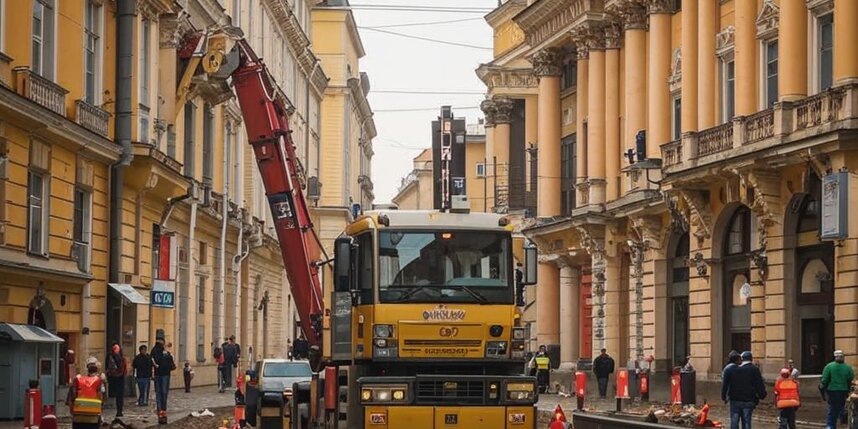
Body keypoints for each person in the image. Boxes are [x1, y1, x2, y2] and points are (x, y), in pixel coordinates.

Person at [721, 351, 767, 429]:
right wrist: (762, 395)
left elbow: (726, 384)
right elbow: (759, 384)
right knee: (746, 421)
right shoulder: (754, 369)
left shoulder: (732, 369)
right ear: (751, 359)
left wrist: (724, 396)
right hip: (749, 400)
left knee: (734, 420)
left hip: (735, 399)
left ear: (742, 358)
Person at [68, 357, 106, 429]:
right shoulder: (99, 380)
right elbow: (102, 396)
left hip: (78, 415)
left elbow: (72, 397)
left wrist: (72, 411)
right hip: (93, 416)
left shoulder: (78, 379)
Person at [820, 350, 854, 429]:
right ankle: (843, 420)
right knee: (842, 406)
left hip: (832, 391)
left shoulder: (829, 366)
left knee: (832, 408)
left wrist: (823, 389)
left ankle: (830, 425)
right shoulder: (848, 368)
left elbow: (824, 380)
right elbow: (850, 379)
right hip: (843, 390)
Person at [153, 341, 176, 418]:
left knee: (161, 392)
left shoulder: (166, 354)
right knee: (163, 392)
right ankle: (161, 409)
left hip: (161, 374)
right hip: (163, 374)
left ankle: (161, 409)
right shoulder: (157, 352)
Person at [105, 343, 126, 418]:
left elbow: (107, 367)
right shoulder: (119, 357)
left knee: (118, 395)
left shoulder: (110, 356)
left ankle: (119, 411)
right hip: (119, 378)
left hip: (114, 378)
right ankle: (119, 411)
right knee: (119, 395)